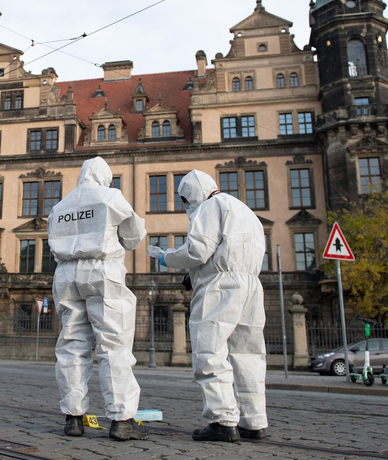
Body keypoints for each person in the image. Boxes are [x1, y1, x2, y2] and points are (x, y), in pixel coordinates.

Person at [148, 169, 268, 443]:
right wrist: (194, 275)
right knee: (249, 354)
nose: (185, 206)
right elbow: (226, 251)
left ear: (190, 194)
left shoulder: (208, 207)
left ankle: (222, 420)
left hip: (220, 288)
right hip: (251, 285)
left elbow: (197, 251)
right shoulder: (244, 211)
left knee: (211, 350)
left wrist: (167, 256)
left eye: (184, 199)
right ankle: (254, 421)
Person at [48, 156, 149, 441]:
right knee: (113, 344)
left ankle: (73, 417)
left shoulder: (60, 205)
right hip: (102, 270)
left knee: (71, 344)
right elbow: (133, 236)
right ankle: (121, 419)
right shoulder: (110, 197)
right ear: (106, 177)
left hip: (66, 273)